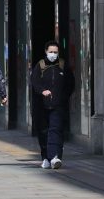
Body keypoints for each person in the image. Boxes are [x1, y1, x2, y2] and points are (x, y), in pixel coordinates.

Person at [31, 40, 74, 169]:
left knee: (55, 130)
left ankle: (55, 157)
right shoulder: (40, 65)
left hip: (58, 105)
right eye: (51, 52)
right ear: (46, 51)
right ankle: (45, 157)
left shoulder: (63, 66)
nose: (53, 54)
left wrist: (63, 97)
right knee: (43, 131)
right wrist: (42, 91)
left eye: (55, 52)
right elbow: (34, 82)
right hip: (42, 105)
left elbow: (70, 84)